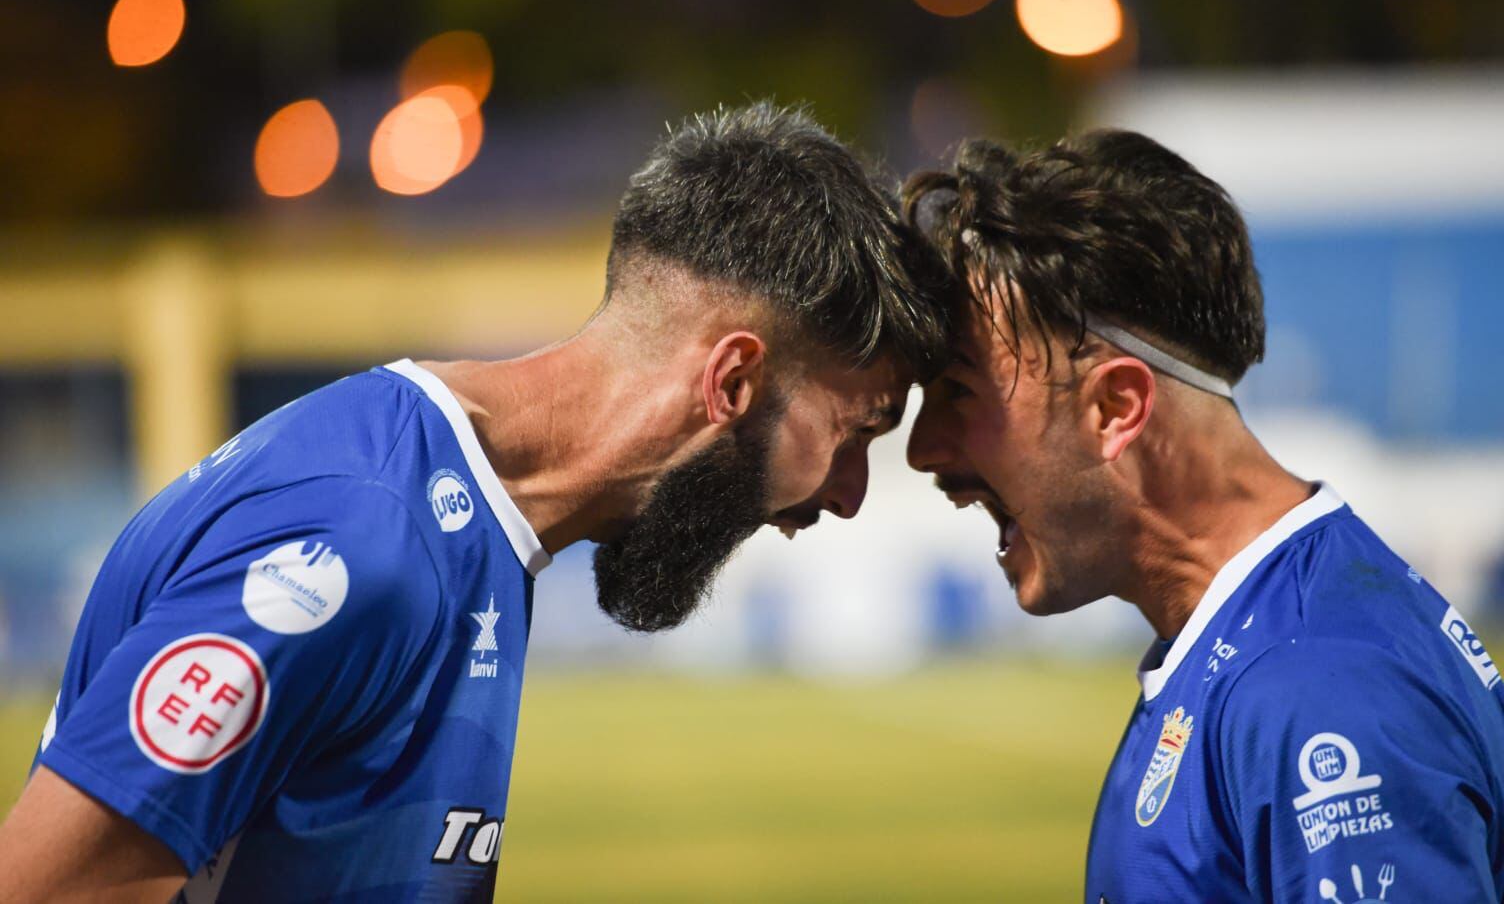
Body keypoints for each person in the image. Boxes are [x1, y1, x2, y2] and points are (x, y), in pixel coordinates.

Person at [0, 102, 953, 902]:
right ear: (734, 382)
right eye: (856, 432)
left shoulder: (468, 520)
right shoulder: (359, 542)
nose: (851, 496)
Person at [902, 130, 1504, 901]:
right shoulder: (1260, 641)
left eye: (958, 392)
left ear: (1116, 408)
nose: (923, 450)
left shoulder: (1321, 688)